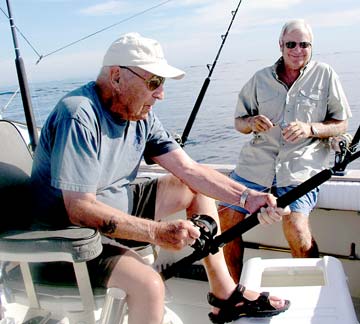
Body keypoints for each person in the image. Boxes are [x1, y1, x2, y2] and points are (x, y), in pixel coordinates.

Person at [30, 32, 290, 324]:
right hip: (66, 240)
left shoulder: (140, 115)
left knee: (190, 188)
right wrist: (157, 232)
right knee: (151, 287)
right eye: (153, 82)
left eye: (162, 83)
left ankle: (224, 295)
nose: (161, 94)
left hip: (113, 209)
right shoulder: (78, 115)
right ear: (116, 77)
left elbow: (189, 170)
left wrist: (248, 197)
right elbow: (79, 209)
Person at [219, 19, 352, 282]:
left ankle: (313, 292)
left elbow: (342, 123)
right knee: (226, 223)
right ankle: (235, 293)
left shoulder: (325, 74)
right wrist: (251, 122)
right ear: (280, 45)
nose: (298, 50)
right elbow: (239, 122)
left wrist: (310, 128)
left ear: (311, 46)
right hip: (256, 166)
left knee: (297, 229)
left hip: (300, 168)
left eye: (304, 44)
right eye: (291, 44)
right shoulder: (260, 79)